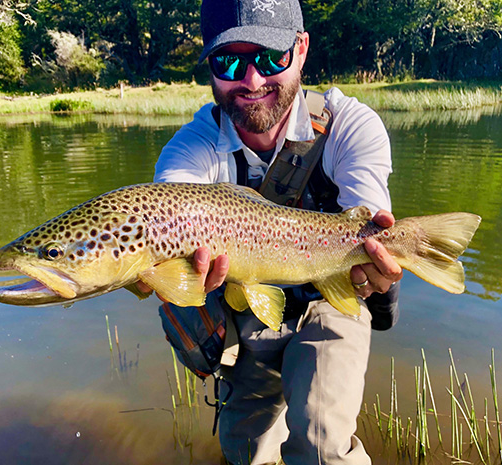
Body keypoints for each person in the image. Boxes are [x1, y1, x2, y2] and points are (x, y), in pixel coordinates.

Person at [145, 0, 403, 463]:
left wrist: (381, 266)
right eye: (229, 61)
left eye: (270, 57)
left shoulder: (350, 127)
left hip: (331, 296)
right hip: (244, 306)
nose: (251, 79)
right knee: (245, 450)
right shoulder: (192, 148)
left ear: (301, 50)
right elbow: (171, 203)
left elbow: (370, 223)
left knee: (323, 447)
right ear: (210, 67)